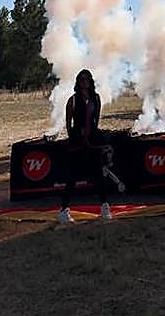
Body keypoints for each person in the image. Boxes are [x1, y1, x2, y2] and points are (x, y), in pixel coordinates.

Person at [57, 69, 111, 223]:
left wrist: (92, 134)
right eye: (81, 79)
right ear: (78, 82)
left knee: (99, 175)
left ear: (91, 81)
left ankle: (105, 206)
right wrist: (73, 137)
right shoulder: (72, 100)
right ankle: (64, 210)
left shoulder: (96, 98)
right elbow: (68, 123)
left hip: (93, 142)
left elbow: (96, 120)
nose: (84, 81)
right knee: (72, 176)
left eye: (87, 79)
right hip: (77, 143)